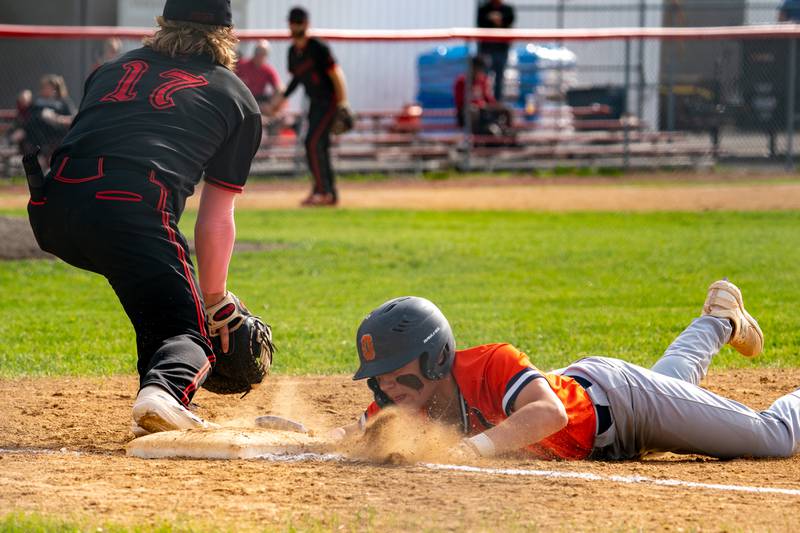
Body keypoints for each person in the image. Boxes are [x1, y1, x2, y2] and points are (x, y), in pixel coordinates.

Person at [26, 0, 265, 436]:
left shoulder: (111, 69)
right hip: (132, 204)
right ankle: (166, 392)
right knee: (188, 332)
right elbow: (215, 218)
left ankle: (155, 392)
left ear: (163, 24)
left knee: (156, 300)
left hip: (52, 206)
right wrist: (213, 300)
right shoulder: (236, 95)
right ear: (228, 35)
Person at [337, 280, 800, 461]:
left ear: (436, 356)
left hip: (624, 403)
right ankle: (720, 319)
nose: (387, 385)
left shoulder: (493, 361)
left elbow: (550, 416)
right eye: (380, 376)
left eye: (397, 371)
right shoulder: (399, 401)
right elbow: (356, 434)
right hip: (608, 424)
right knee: (677, 384)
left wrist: (470, 450)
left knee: (772, 438)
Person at [267, 7, 350, 207]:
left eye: (299, 21)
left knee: (312, 143)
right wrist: (280, 101)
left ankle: (323, 192)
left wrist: (343, 102)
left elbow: (335, 74)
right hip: (315, 103)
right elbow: (296, 80)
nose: (296, 25)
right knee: (319, 145)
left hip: (329, 101)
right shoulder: (293, 53)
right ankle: (327, 192)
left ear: (306, 23)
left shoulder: (317, 47)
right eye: (293, 21)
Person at [454, 56, 512, 142]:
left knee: (506, 110)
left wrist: (497, 106)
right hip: (467, 114)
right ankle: (476, 137)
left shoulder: (482, 80)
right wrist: (479, 105)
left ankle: (506, 133)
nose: (479, 71)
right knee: (473, 110)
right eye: (478, 68)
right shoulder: (461, 82)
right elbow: (460, 103)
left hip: (483, 110)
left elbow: (488, 99)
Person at [24, 75, 76, 169]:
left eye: (49, 87)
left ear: (56, 88)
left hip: (56, 135)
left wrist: (56, 118)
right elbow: (28, 118)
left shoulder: (63, 102)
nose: (45, 89)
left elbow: (73, 119)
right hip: (38, 137)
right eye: (44, 87)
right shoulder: (38, 102)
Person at [477, 0, 515, 102]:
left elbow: (509, 21)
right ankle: (484, 102)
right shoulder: (483, 10)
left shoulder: (507, 10)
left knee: (499, 79)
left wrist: (499, 19)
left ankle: (497, 103)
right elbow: (481, 23)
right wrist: (492, 19)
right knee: (484, 78)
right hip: (486, 50)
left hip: (501, 50)